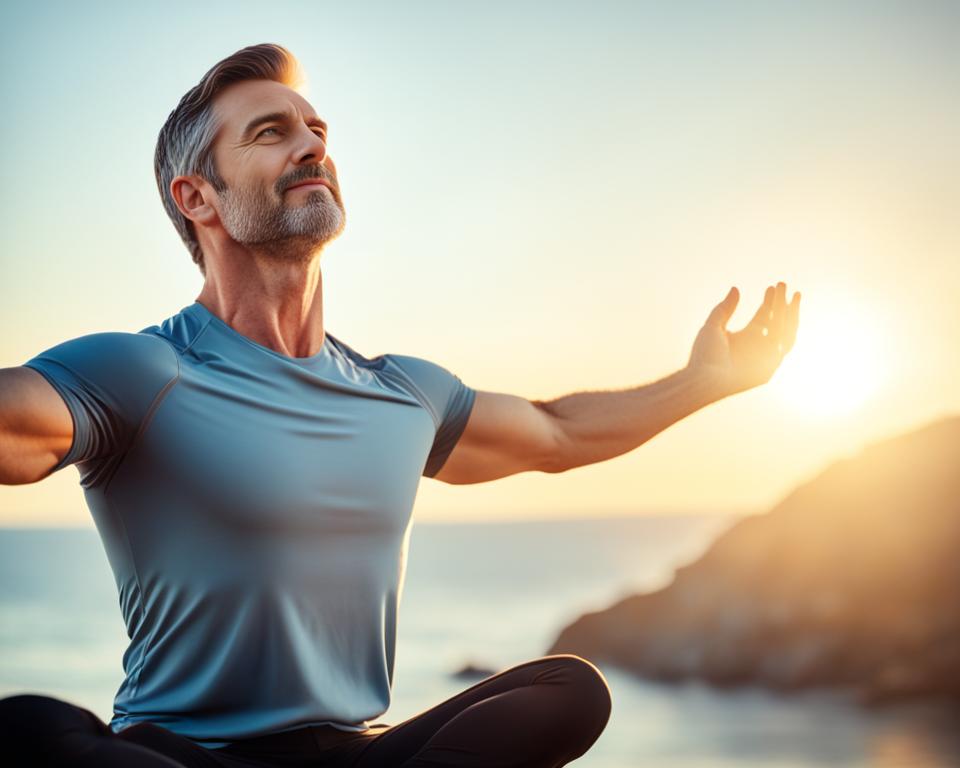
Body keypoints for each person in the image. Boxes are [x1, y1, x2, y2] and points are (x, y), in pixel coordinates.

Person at [0, 43, 800, 767]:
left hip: (353, 757)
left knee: (571, 688)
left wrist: (705, 383)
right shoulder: (143, 369)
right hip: (185, 758)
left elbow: (556, 432)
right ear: (197, 197)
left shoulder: (401, 392)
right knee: (28, 728)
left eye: (317, 129)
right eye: (271, 133)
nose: (313, 144)